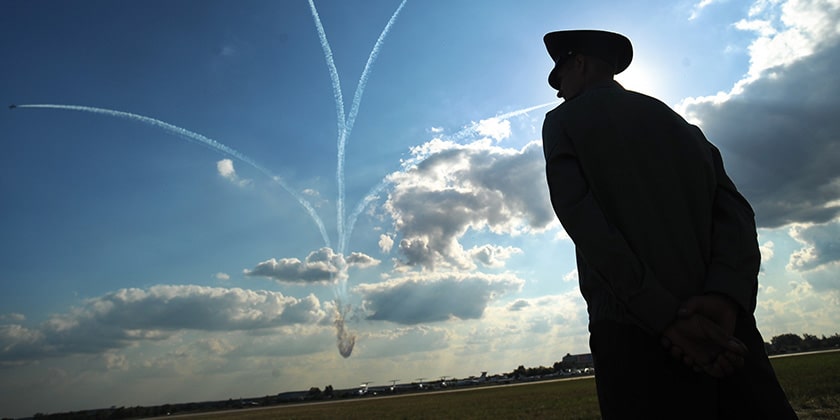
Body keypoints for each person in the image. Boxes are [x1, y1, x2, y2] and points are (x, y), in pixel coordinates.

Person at [541, 30, 797, 419]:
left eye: (560, 75)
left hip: (634, 337)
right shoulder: (680, 124)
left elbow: (587, 225)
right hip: (727, 337)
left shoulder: (562, 122)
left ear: (579, 63)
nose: (558, 90)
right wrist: (726, 301)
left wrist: (666, 320)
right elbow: (737, 215)